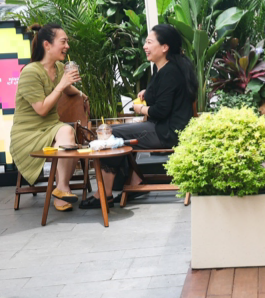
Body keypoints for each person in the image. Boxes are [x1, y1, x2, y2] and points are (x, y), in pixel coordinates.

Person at [79, 24, 197, 209]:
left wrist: (139, 109)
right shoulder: (161, 69)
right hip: (161, 127)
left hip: (168, 132)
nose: (144, 46)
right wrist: (146, 93)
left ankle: (105, 193)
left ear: (164, 47)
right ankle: (133, 180)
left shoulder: (170, 72)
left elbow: (160, 111)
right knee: (113, 132)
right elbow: (155, 94)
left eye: (149, 42)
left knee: (110, 134)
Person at [10, 23, 89, 212]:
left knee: (67, 133)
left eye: (67, 42)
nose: (67, 46)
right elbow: (42, 110)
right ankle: (62, 189)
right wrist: (62, 84)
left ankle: (61, 188)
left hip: (51, 127)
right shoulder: (30, 72)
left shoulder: (60, 67)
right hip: (28, 133)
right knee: (66, 135)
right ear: (47, 45)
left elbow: (68, 89)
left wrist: (80, 94)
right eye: (63, 42)